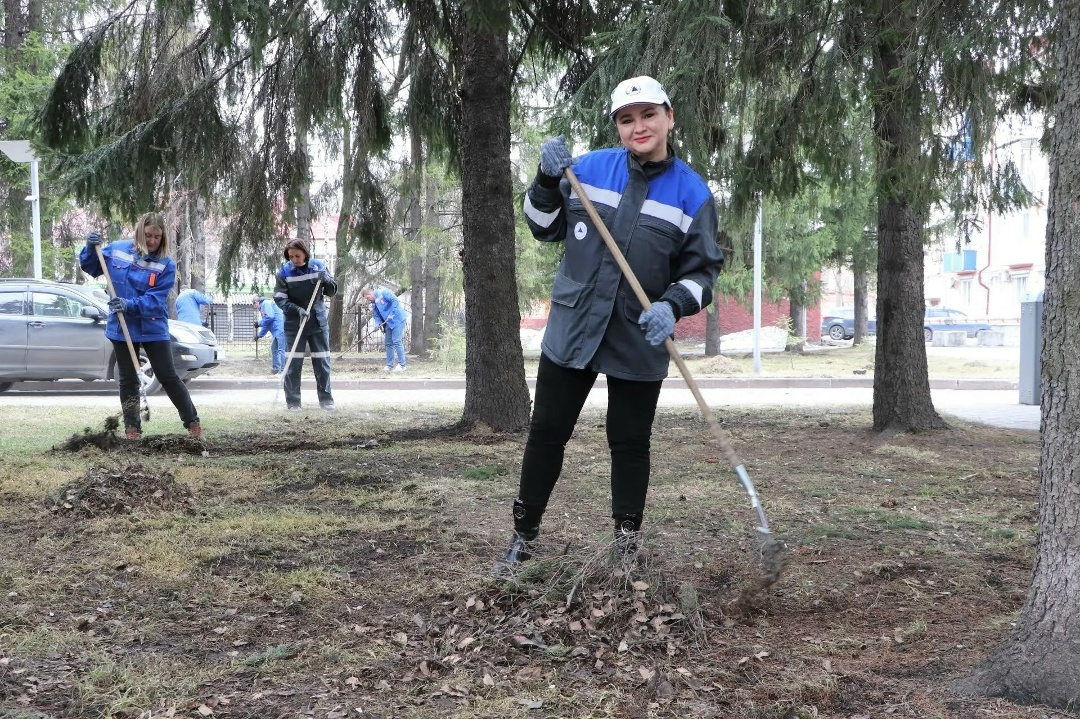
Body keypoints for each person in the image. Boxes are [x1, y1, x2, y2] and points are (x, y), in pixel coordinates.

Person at [497, 75, 725, 572]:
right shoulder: (589, 170)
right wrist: (542, 179)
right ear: (617, 127)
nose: (638, 126)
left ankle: (625, 547)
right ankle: (523, 537)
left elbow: (703, 272)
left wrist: (672, 305)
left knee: (628, 443)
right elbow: (542, 226)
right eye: (627, 119)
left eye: (647, 115)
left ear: (669, 117)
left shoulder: (692, 193)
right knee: (547, 432)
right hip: (574, 326)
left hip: (639, 334)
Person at [79, 214, 204, 440]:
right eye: (148, 235)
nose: (152, 241)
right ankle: (132, 430)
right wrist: (89, 248)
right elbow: (92, 267)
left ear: (163, 237)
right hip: (121, 326)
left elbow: (156, 299)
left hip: (152, 326)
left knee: (168, 375)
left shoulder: (166, 263)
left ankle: (192, 422)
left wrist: (130, 304)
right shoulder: (117, 250)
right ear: (139, 233)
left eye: (157, 236)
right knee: (128, 379)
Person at [274, 238, 338, 411]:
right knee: (293, 363)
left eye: (297, 255)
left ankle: (326, 400)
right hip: (294, 324)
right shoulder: (284, 273)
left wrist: (327, 281)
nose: (295, 260)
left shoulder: (318, 267)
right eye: (291, 257)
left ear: (305, 253)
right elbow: (280, 300)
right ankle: (293, 402)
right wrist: (297, 310)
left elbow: (331, 292)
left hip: (317, 322)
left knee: (322, 360)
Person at [361, 287, 408, 372]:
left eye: (367, 298)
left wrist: (392, 313)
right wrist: (377, 324)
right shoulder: (374, 304)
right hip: (389, 323)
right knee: (388, 343)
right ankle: (390, 365)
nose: (368, 300)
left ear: (370, 294)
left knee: (396, 341)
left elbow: (395, 300)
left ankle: (402, 365)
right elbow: (376, 316)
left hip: (397, 319)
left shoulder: (384, 293)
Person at [253, 296, 286, 374]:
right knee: (274, 349)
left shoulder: (265, 303)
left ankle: (284, 370)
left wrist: (259, 323)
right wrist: (258, 336)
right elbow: (267, 324)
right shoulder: (264, 306)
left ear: (256, 302)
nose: (256, 308)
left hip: (280, 329)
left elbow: (270, 317)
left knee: (281, 350)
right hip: (276, 330)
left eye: (254, 306)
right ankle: (276, 368)